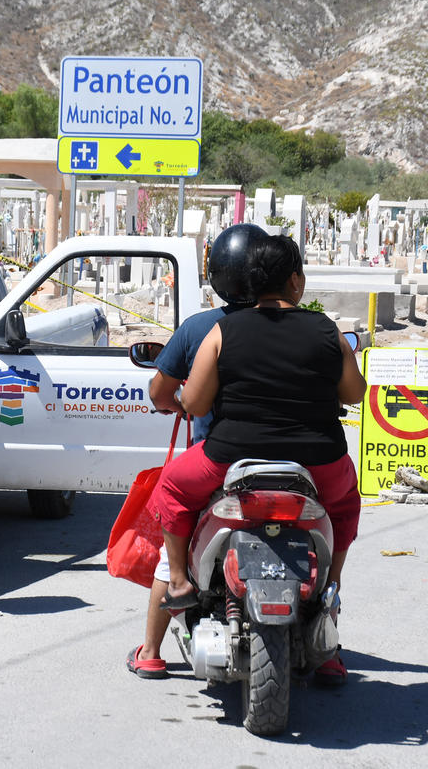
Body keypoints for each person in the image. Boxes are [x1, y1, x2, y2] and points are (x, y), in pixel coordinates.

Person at [146, 234, 366, 684]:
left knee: (171, 485)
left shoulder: (223, 331)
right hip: (317, 462)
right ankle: (330, 586)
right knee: (344, 503)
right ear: (296, 281)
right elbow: (354, 393)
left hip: (232, 460)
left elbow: (197, 403)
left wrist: (190, 396)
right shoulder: (325, 329)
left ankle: (182, 582)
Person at [127, 223, 268, 680]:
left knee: (177, 543)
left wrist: (183, 402)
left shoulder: (200, 328)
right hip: (289, 460)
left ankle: (150, 650)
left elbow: (160, 394)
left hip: (217, 461)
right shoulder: (294, 326)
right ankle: (328, 654)